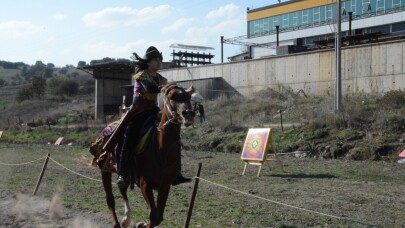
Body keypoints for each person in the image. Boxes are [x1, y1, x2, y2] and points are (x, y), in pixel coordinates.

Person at [116, 46, 191, 189]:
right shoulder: (141, 75)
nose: (159, 63)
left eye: (159, 60)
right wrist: (166, 87)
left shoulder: (161, 78)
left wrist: (181, 92)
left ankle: (176, 172)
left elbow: (169, 90)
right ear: (148, 62)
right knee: (129, 138)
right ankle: (123, 173)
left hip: (153, 110)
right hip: (138, 111)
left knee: (173, 135)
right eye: (156, 60)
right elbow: (150, 88)